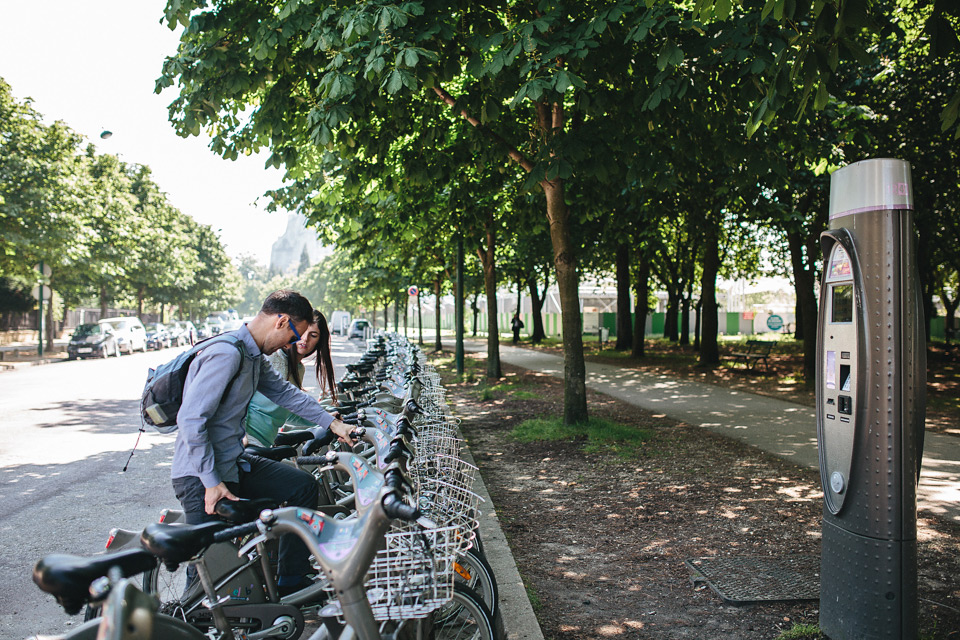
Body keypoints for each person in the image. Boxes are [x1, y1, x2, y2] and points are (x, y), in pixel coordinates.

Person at [171, 290, 353, 595]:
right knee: (211, 577)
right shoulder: (227, 353)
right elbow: (191, 420)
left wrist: (333, 423)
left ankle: (290, 579)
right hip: (202, 476)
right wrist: (211, 482)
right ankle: (184, 622)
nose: (294, 344)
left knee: (302, 486)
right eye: (294, 334)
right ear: (281, 321)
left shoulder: (253, 356)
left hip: (235, 462)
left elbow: (285, 393)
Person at [244, 309, 338, 447]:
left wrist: (326, 419)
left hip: (266, 442)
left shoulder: (299, 369)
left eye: (313, 335)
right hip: (247, 441)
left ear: (319, 341)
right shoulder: (272, 357)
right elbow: (238, 399)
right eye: (302, 332)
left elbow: (289, 410)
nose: (305, 339)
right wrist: (241, 435)